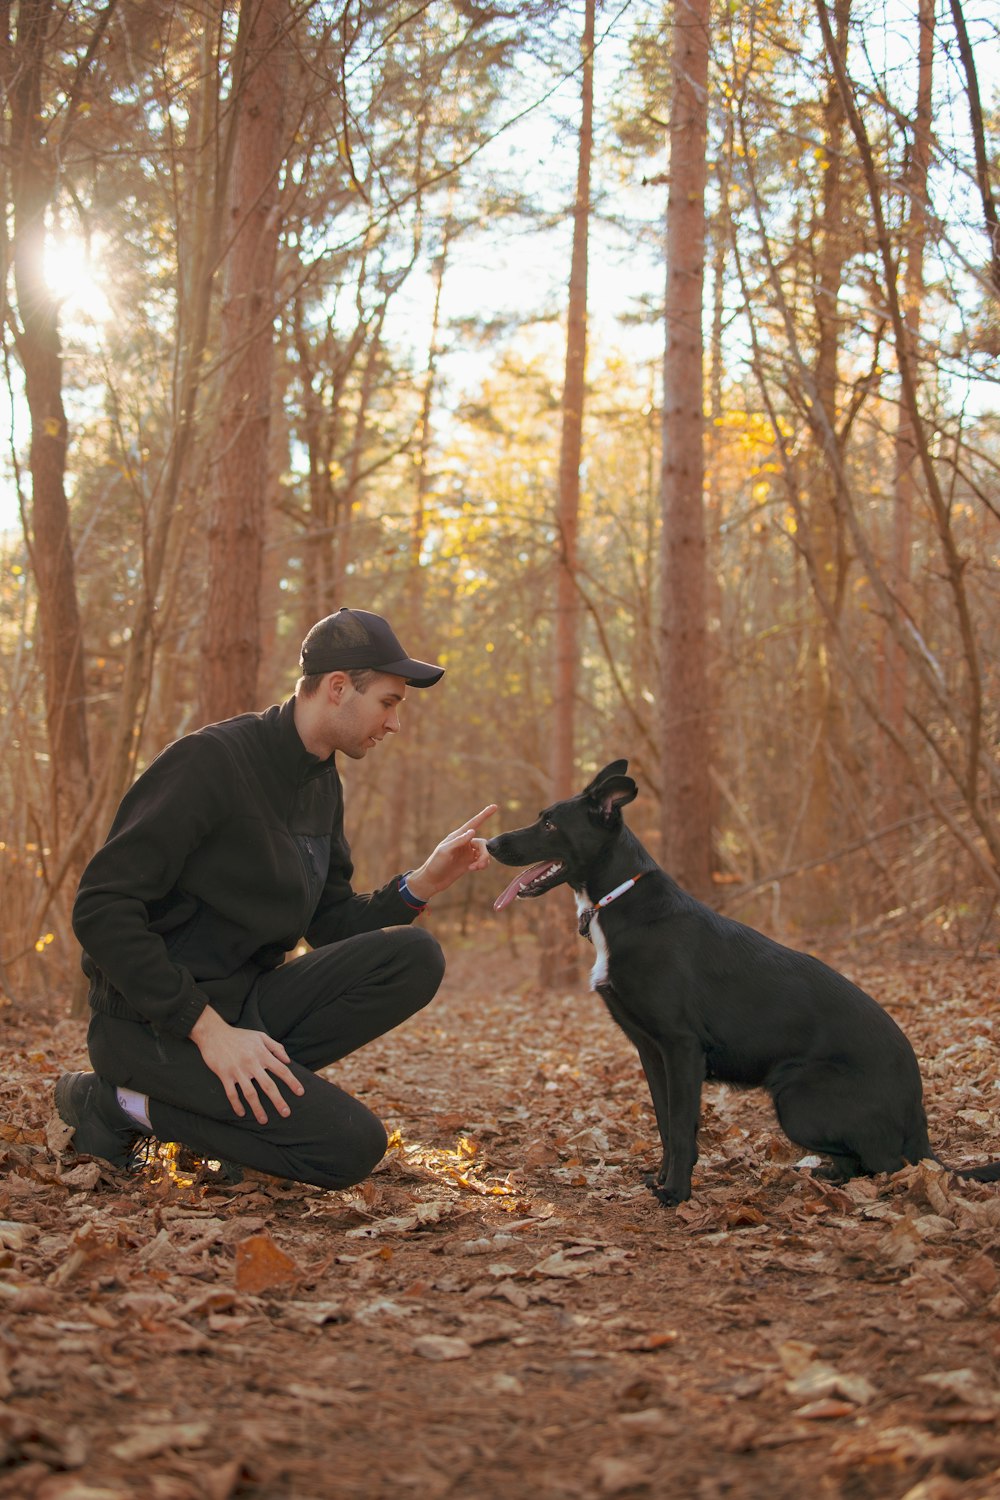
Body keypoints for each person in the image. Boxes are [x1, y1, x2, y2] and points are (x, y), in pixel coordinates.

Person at [56, 607, 496, 1190]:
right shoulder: (210, 762)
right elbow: (101, 905)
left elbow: (332, 923)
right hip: (153, 1026)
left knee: (415, 957)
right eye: (389, 702)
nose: (395, 724)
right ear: (338, 688)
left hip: (249, 1008)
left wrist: (423, 883)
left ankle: (225, 1103)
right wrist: (207, 1030)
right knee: (349, 1147)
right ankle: (115, 1105)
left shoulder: (321, 783)